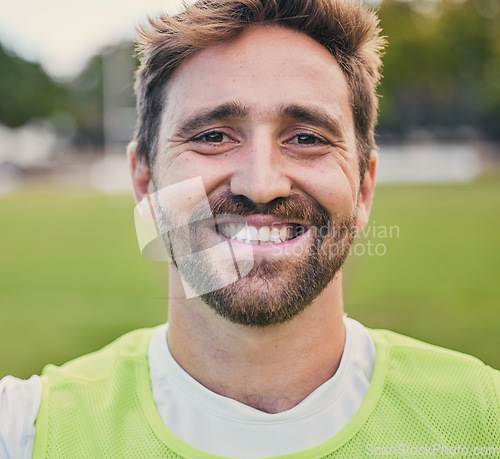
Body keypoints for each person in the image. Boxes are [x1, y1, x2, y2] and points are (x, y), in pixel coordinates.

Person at [1, 0, 499, 457]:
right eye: (213, 136)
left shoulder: (483, 420)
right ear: (145, 181)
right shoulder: (26, 430)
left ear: (364, 189)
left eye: (306, 137)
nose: (261, 184)